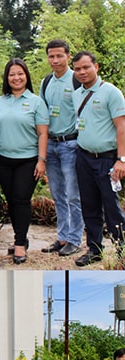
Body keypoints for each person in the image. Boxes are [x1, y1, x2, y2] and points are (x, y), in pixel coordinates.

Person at [0, 58, 49, 265]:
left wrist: (42, 161)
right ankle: (19, 237)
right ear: (7, 77)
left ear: (26, 76)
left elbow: (42, 134)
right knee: (12, 200)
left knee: (22, 199)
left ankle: (20, 244)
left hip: (28, 160)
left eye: (20, 74)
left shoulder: (36, 102)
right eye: (12, 74)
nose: (16, 78)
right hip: (3, 159)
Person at [70, 51, 125, 267]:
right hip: (83, 157)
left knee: (112, 207)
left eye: (86, 67)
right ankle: (94, 249)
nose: (82, 72)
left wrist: (121, 160)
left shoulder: (111, 92)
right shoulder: (77, 94)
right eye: (77, 69)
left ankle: (122, 251)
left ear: (96, 66)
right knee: (89, 206)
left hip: (107, 159)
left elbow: (121, 126)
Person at [40, 39, 85, 257]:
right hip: (51, 144)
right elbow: (42, 116)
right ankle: (62, 237)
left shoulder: (77, 79)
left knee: (73, 195)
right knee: (57, 194)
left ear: (68, 55)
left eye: (60, 55)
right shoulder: (46, 82)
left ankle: (75, 239)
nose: (55, 60)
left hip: (71, 144)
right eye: (51, 56)